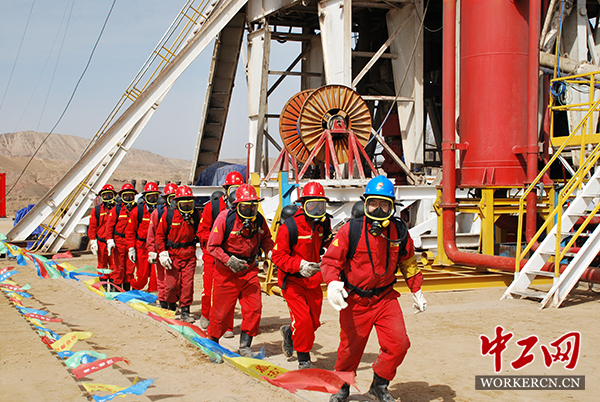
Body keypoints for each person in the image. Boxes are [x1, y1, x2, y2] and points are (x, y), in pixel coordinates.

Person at [321, 175, 427, 402]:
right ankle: (342, 385)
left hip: (385, 299)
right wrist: (332, 283)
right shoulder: (350, 230)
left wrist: (416, 289)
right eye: (373, 204)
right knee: (349, 349)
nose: (378, 210)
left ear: (392, 207)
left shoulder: (399, 232)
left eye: (384, 205)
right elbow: (330, 261)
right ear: (365, 203)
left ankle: (379, 385)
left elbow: (408, 262)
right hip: (356, 301)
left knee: (399, 344)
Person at [206, 184, 274, 357]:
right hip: (226, 273)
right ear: (237, 206)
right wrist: (229, 260)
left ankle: (245, 346)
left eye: (253, 205)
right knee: (221, 313)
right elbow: (211, 246)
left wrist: (271, 252)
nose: (250, 210)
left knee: (254, 308)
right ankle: (213, 343)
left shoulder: (258, 220)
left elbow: (266, 238)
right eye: (246, 206)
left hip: (249, 271)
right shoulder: (224, 219)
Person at [271, 181, 332, 369]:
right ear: (302, 204)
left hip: (313, 281)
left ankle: (289, 332)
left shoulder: (324, 223)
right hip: (293, 281)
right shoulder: (290, 226)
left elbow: (328, 243)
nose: (315, 209)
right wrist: (299, 265)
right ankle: (304, 359)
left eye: (320, 205)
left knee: (313, 322)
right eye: (311, 205)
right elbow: (277, 255)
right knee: (304, 321)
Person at [197, 171, 244, 336]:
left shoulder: (245, 210)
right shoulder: (213, 207)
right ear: (226, 190)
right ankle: (206, 314)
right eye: (232, 189)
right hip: (213, 255)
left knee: (229, 293)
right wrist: (215, 241)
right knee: (209, 290)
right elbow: (202, 231)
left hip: (232, 256)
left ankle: (228, 327)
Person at [155, 185, 199, 323]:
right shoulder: (168, 215)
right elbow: (159, 235)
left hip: (189, 256)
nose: (186, 207)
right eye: (183, 204)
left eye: (189, 204)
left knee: (187, 285)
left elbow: (202, 233)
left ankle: (185, 311)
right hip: (172, 256)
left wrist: (205, 250)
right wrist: (162, 253)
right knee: (171, 285)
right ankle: (171, 307)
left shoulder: (196, 215)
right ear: (177, 203)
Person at [147, 182, 178, 309]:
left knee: (176, 279)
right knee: (161, 277)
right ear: (165, 199)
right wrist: (152, 250)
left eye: (175, 198)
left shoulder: (181, 213)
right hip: (161, 249)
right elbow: (152, 233)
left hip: (176, 250)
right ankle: (163, 301)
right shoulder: (157, 213)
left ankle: (173, 300)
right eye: (171, 198)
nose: (174, 201)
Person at [126, 182, 161, 291]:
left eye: (155, 196)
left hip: (156, 247)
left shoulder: (160, 212)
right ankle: (135, 289)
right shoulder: (138, 211)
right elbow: (130, 231)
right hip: (142, 247)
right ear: (145, 197)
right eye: (150, 196)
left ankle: (153, 295)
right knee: (142, 275)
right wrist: (131, 248)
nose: (152, 198)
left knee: (156, 275)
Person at [106, 183, 138, 291]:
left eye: (131, 196)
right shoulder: (117, 210)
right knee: (119, 267)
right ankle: (117, 288)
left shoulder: (137, 210)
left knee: (130, 268)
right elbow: (109, 226)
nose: (128, 198)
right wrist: (110, 241)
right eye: (126, 196)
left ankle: (127, 289)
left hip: (131, 243)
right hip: (119, 242)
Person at [89, 184, 117, 285]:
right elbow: (92, 227)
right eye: (105, 195)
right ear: (102, 197)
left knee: (114, 265)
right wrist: (93, 241)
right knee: (102, 265)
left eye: (110, 194)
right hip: (101, 243)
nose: (108, 197)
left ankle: (114, 285)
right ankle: (103, 284)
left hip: (114, 243)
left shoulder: (117, 210)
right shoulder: (96, 211)